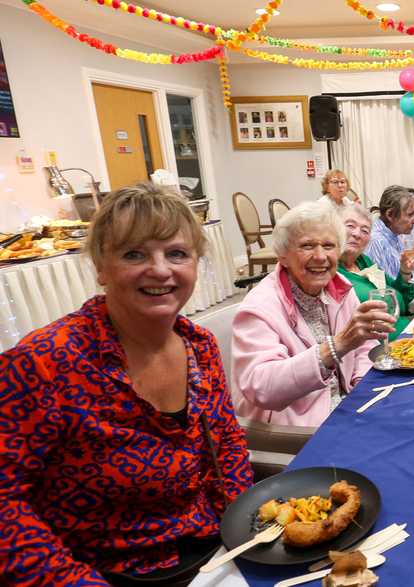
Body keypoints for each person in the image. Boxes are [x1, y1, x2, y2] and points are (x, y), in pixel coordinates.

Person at [0, 182, 252, 586]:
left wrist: (247, 530)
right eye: (135, 253)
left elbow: (227, 446)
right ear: (101, 267)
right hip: (105, 573)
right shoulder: (44, 364)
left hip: (211, 552)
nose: (160, 269)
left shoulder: (199, 346)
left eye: (177, 254)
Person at [233, 202, 391, 426]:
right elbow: (262, 387)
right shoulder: (258, 308)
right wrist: (335, 347)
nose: (320, 256)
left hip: (348, 408)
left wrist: (360, 389)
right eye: (307, 246)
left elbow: (365, 347)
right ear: (283, 256)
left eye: (329, 246)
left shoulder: (340, 288)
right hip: (297, 431)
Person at [337, 202, 414, 338]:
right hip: (379, 347)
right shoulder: (331, 271)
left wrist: (404, 271)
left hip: (406, 329)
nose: (357, 234)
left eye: (365, 230)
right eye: (350, 226)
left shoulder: (364, 261)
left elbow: (403, 299)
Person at [365, 184, 414, 279]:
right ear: (390, 214)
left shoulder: (395, 234)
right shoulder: (377, 242)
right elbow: (394, 290)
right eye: (410, 215)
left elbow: (411, 278)